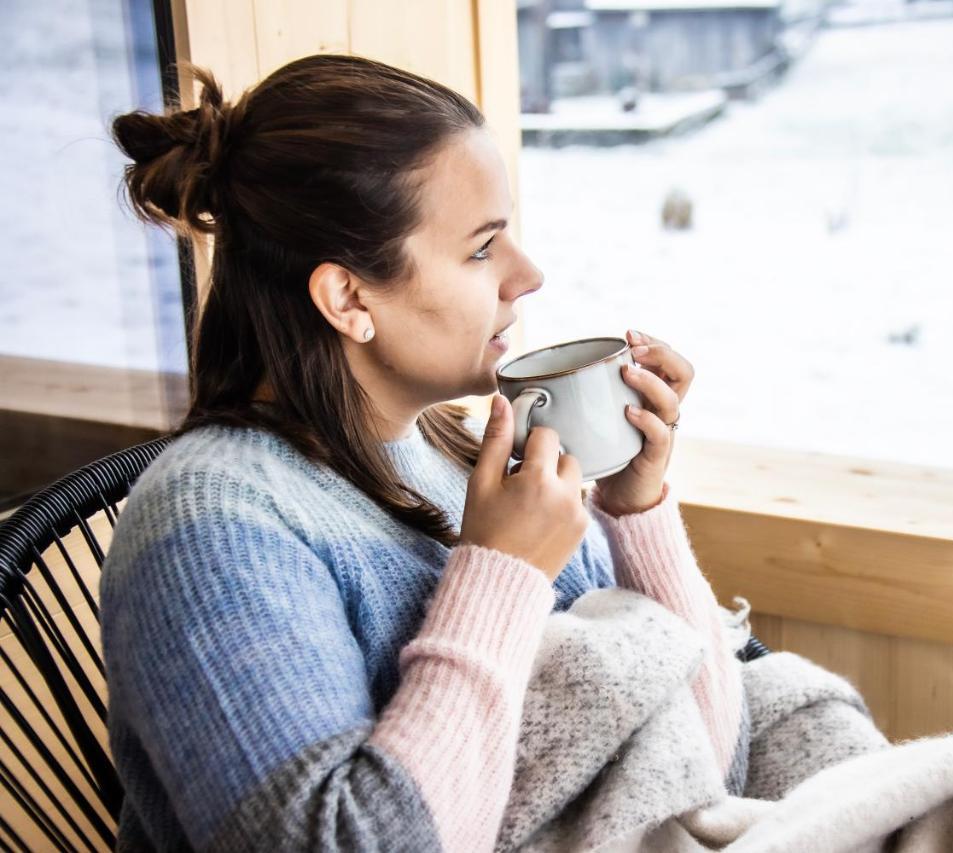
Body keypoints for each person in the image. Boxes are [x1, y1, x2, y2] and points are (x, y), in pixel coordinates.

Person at [100, 54, 749, 852]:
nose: (529, 275)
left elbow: (704, 768)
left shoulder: (458, 454)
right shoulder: (209, 529)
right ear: (349, 298)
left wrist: (635, 509)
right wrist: (500, 575)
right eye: (482, 249)